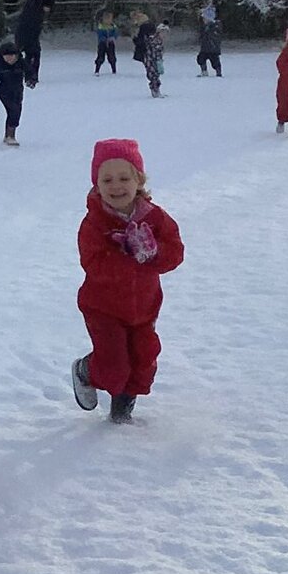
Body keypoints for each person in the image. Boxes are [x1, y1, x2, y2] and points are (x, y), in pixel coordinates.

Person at [70, 139, 184, 424]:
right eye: (107, 179)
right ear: (96, 184)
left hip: (144, 309)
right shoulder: (94, 223)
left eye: (124, 178)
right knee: (113, 366)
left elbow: (175, 253)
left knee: (143, 362)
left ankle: (122, 412)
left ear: (139, 180)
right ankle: (86, 371)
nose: (116, 186)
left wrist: (154, 252)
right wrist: (129, 255)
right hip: (103, 308)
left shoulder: (155, 218)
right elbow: (93, 264)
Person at [0, 41, 26, 146]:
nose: (9, 59)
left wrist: (32, 78)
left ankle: (9, 134)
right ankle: (10, 136)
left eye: (12, 56)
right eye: (6, 57)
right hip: (4, 92)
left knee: (17, 112)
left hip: (18, 91)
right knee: (13, 111)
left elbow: (30, 71)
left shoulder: (21, 63)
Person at [14, 0, 57, 88]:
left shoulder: (35, 4)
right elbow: (32, 23)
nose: (48, 11)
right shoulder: (36, 8)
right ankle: (29, 76)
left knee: (32, 55)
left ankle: (30, 76)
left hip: (28, 34)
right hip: (26, 34)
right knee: (32, 54)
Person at [133, 16, 168, 98]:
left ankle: (156, 90)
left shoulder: (158, 41)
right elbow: (153, 51)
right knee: (153, 76)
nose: (165, 36)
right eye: (163, 33)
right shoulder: (153, 40)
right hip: (150, 60)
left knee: (156, 75)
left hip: (155, 60)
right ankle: (155, 91)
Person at [196, 3, 223, 77]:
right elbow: (202, 35)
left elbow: (216, 36)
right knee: (201, 59)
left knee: (215, 61)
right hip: (204, 48)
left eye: (205, 18)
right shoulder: (204, 26)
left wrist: (211, 36)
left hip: (213, 48)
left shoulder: (216, 26)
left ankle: (218, 72)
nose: (204, 20)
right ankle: (204, 71)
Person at [94, 10, 118, 75]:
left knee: (112, 56)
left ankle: (114, 70)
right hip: (102, 43)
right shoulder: (101, 26)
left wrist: (112, 38)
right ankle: (97, 70)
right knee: (100, 56)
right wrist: (104, 39)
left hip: (110, 43)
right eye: (106, 19)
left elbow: (116, 34)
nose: (108, 20)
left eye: (109, 19)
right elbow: (100, 34)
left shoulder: (113, 26)